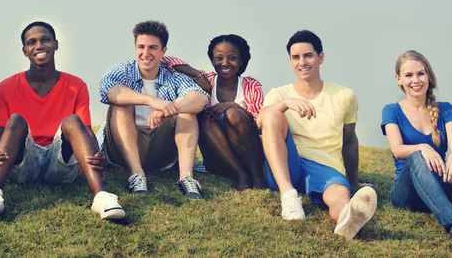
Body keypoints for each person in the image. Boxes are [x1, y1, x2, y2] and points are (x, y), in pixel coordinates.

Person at [0, 21, 124, 222]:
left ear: (56, 44)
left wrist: (96, 155)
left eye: (45, 40)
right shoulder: (6, 87)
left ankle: (101, 197)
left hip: (60, 164)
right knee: (16, 119)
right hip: (22, 164)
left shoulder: (76, 86)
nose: (39, 46)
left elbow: (85, 129)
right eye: (31, 42)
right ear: (25, 51)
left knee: (72, 121)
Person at [257, 30, 376, 239]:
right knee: (273, 116)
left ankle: (346, 219)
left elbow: (349, 140)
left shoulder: (344, 96)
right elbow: (261, 120)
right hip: (287, 164)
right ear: (290, 61)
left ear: (320, 57)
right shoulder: (279, 94)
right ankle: (289, 196)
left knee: (340, 196)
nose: (302, 62)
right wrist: (285, 104)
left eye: (308, 55)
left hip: (326, 165)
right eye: (296, 57)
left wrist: (354, 181)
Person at [99, 20, 209, 199]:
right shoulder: (123, 70)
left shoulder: (173, 77)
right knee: (121, 103)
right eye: (141, 47)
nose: (145, 53)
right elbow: (107, 90)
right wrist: (151, 101)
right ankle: (137, 175)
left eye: (152, 48)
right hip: (122, 148)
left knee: (187, 109)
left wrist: (171, 109)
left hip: (160, 147)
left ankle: (186, 178)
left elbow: (201, 97)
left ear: (163, 51)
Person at [382, 50, 452, 250]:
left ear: (428, 75)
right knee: (416, 158)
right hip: (408, 196)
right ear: (399, 79)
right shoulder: (391, 110)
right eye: (409, 75)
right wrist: (423, 147)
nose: (416, 80)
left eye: (420, 74)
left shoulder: (446, 109)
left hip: (442, 191)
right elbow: (397, 150)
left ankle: (448, 212)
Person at [161, 34, 265, 190]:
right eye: (219, 58)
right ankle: (240, 174)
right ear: (212, 60)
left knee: (233, 114)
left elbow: (259, 121)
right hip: (218, 158)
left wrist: (233, 106)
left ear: (242, 60)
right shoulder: (208, 81)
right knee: (204, 117)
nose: (225, 63)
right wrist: (197, 74)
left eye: (232, 58)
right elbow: (165, 60)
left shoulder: (250, 85)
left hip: (248, 154)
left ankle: (256, 175)